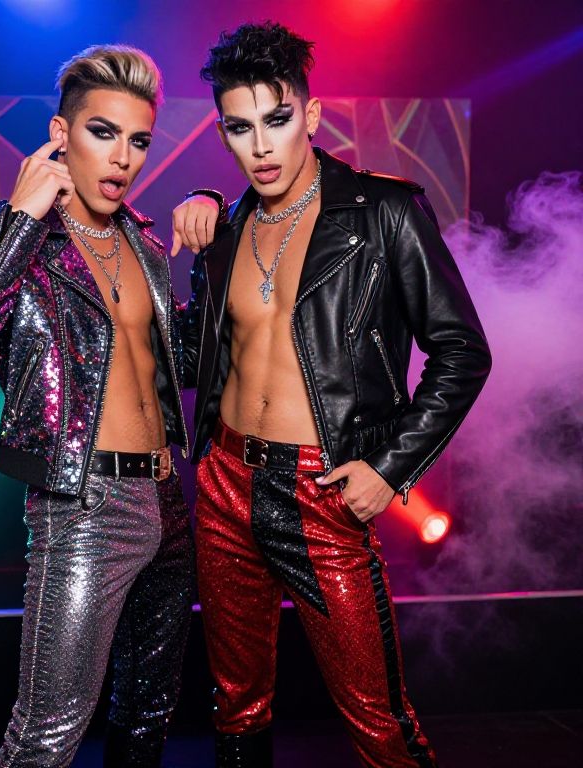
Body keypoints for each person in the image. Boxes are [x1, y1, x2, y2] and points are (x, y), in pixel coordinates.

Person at [172, 22, 491, 768]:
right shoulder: (224, 231)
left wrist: (391, 467)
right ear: (223, 133)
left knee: (378, 720)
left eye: (277, 120)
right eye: (240, 128)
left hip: (320, 489)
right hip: (224, 483)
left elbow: (462, 352)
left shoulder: (385, 213)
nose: (262, 146)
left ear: (311, 116)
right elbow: (191, 364)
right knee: (235, 705)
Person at [0, 45, 193, 768]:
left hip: (169, 500)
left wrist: (218, 216)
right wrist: (20, 222)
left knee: (147, 718)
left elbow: (177, 364)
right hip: (86, 506)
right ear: (60, 133)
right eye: (103, 132)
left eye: (138, 140)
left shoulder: (145, 242)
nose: (123, 158)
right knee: (46, 734)